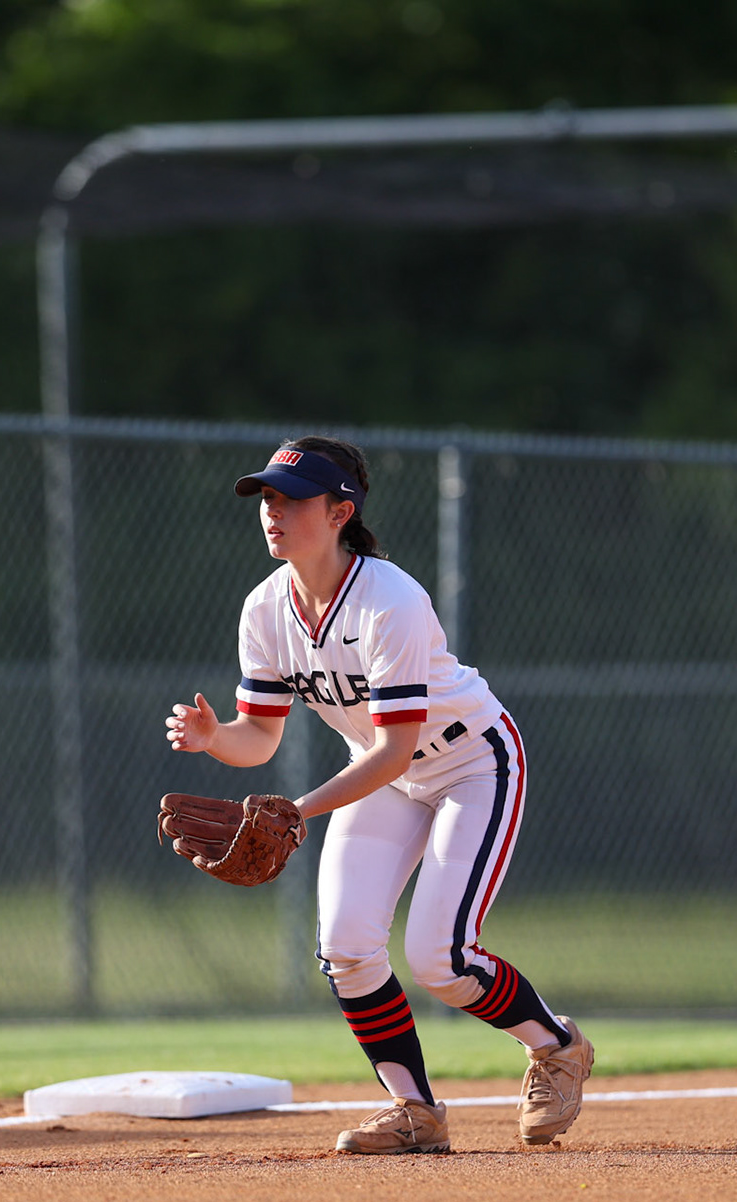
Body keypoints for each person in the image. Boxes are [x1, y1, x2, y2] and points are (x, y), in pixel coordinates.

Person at [164, 436, 593, 1154]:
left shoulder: (388, 598)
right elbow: (261, 736)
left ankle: (557, 1047)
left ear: (340, 512)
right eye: (266, 498)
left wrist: (297, 811)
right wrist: (217, 739)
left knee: (439, 956)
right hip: (383, 773)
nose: (273, 511)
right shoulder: (265, 609)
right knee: (347, 947)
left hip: (471, 765)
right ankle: (415, 1113)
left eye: (291, 499)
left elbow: (397, 745)